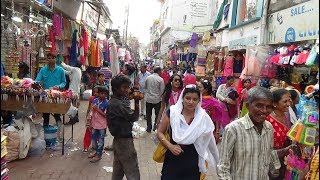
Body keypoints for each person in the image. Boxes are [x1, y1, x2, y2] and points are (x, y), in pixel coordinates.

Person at [157, 84, 219, 180]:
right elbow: (160, 132)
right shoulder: (172, 112)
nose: (191, 102)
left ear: (199, 101)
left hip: (192, 162)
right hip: (172, 160)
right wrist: (170, 146)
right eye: (188, 98)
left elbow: (210, 142)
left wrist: (218, 162)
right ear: (182, 98)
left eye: (195, 99)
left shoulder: (203, 117)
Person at [217, 87, 281, 179]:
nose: (264, 110)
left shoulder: (269, 128)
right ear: (248, 106)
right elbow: (223, 167)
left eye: (268, 107)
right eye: (259, 105)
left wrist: (276, 170)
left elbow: (269, 153)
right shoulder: (233, 129)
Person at [107, 74, 140, 180]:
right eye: (124, 87)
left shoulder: (116, 101)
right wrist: (137, 102)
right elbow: (133, 117)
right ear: (116, 88)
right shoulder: (117, 104)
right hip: (124, 142)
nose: (127, 90)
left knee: (118, 171)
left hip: (118, 141)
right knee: (132, 172)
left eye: (128, 87)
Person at [35, 52, 66, 135]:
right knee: (46, 114)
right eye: (48, 58)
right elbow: (37, 80)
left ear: (55, 59)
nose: (50, 60)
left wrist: (58, 86)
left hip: (56, 96)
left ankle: (60, 132)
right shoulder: (43, 70)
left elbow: (64, 82)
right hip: (46, 95)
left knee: (56, 114)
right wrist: (37, 84)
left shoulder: (60, 70)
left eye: (52, 58)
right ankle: (46, 133)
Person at [266, 88, 293, 179]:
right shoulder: (267, 119)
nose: (288, 104)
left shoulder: (287, 114)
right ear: (274, 104)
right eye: (285, 101)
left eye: (289, 100)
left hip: (284, 157)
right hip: (269, 158)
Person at [87, 86, 109, 163]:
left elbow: (106, 115)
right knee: (93, 139)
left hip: (102, 125)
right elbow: (91, 112)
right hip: (94, 124)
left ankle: (99, 155)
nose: (103, 95)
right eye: (101, 93)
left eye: (104, 94)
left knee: (101, 141)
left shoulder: (107, 103)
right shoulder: (95, 100)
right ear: (98, 93)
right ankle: (96, 152)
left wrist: (97, 109)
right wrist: (89, 122)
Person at [145, 67, 165, 132]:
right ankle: (155, 126)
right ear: (159, 71)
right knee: (157, 114)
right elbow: (162, 90)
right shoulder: (160, 79)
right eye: (161, 71)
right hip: (157, 99)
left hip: (149, 99)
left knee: (148, 114)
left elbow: (146, 87)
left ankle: (149, 127)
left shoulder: (148, 78)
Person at [83, 86, 99, 153]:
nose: (95, 93)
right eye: (94, 92)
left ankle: (96, 146)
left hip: (98, 119)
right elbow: (89, 108)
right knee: (88, 132)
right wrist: (87, 116)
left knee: (98, 132)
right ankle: (86, 146)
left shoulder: (102, 99)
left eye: (97, 92)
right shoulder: (92, 98)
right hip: (91, 118)